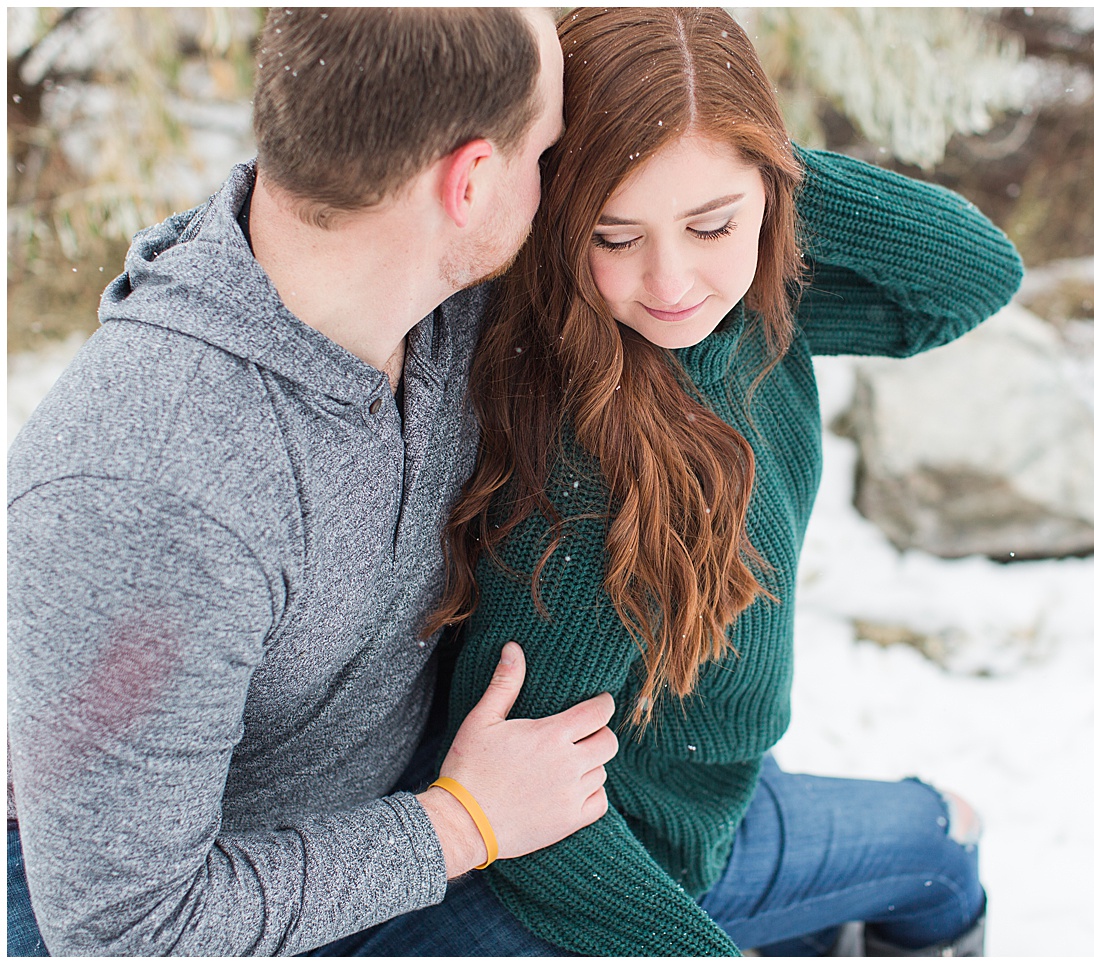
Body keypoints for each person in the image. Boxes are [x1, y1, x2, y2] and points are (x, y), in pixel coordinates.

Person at [7, 8, 616, 956]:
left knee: (916, 851)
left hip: (400, 791)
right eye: (548, 155)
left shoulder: (433, 298)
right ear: (473, 181)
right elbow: (126, 935)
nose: (559, 190)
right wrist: (461, 823)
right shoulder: (151, 489)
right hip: (231, 907)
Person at [425, 7, 1024, 957]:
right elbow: (529, 826)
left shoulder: (745, 310)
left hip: (713, 771)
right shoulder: (586, 476)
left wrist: (720, 138)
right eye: (614, 237)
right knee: (946, 842)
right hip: (651, 851)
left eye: (711, 224)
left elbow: (971, 275)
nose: (670, 281)